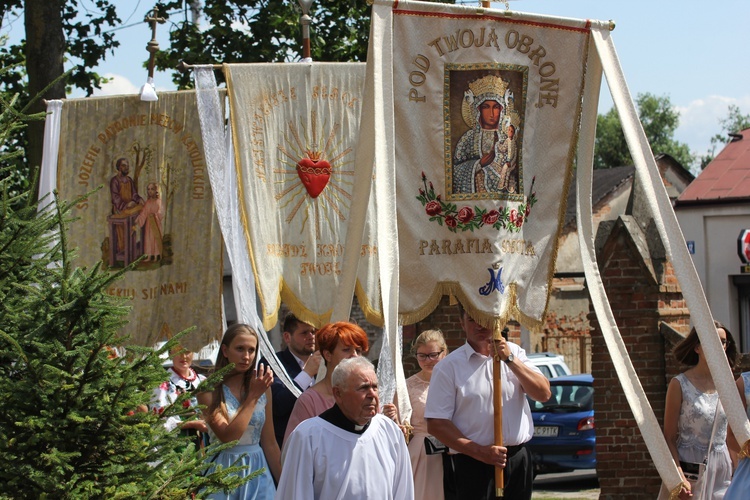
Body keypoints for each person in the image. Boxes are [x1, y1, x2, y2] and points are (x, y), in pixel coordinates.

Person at [425, 303, 550, 500]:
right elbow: (436, 424)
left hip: (517, 459)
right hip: (474, 462)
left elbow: (543, 393)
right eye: (472, 319)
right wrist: (480, 452)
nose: (479, 326)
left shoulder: (515, 353)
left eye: (484, 319)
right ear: (462, 323)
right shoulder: (449, 367)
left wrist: (509, 360)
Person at [275, 357, 414, 499]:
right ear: (338, 394)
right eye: (363, 387)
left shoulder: (389, 431)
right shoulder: (308, 437)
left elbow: (403, 492)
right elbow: (295, 494)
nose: (372, 394)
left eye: (375, 387)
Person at [197, 324, 281, 499]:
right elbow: (228, 437)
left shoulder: (263, 387)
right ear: (226, 351)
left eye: (252, 350)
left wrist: (286, 484)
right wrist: (252, 397)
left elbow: (270, 443)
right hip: (223, 471)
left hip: (258, 471)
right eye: (240, 349)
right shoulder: (208, 389)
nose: (246, 356)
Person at [658, 321, 737, 500]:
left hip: (722, 469)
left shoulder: (729, 384)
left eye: (723, 342)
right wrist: (678, 478)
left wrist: (740, 474)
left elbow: (731, 436)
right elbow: (669, 437)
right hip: (689, 468)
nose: (719, 345)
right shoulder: (679, 384)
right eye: (712, 340)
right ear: (697, 347)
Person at [283, 321, 368, 442]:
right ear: (328, 355)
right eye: (346, 349)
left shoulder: (367, 396)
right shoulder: (309, 402)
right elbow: (294, 450)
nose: (354, 356)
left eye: (358, 351)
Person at [265, 313, 322, 448]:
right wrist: (307, 373)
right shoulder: (274, 363)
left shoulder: (324, 363)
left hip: (320, 441)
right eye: (304, 333)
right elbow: (278, 405)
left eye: (313, 332)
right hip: (289, 443)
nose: (311, 337)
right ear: (287, 337)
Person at [453, 75, 516, 195]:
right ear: (478, 110)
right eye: (486, 107)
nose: (492, 113)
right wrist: (478, 164)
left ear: (502, 110)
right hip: (477, 192)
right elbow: (455, 171)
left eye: (496, 107)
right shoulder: (469, 138)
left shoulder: (506, 137)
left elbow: (514, 163)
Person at [406, 329, 449, 500]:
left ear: (443, 352)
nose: (428, 360)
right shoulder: (407, 386)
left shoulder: (453, 381)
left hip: (453, 449)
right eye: (422, 355)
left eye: (433, 355)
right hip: (422, 452)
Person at [149, 346, 208, 449]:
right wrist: (191, 424)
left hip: (204, 443)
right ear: (170, 354)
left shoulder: (201, 381)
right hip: (175, 446)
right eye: (178, 351)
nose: (183, 356)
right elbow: (158, 421)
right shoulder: (162, 384)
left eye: (187, 352)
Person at [133, 182, 164, 262]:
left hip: (156, 224)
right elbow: (144, 213)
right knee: (148, 240)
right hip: (149, 225)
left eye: (152, 189)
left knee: (155, 239)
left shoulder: (159, 201)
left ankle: (157, 256)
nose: (150, 191)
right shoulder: (148, 202)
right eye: (148, 189)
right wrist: (137, 220)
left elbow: (161, 212)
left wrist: (155, 215)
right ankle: (149, 256)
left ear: (156, 190)